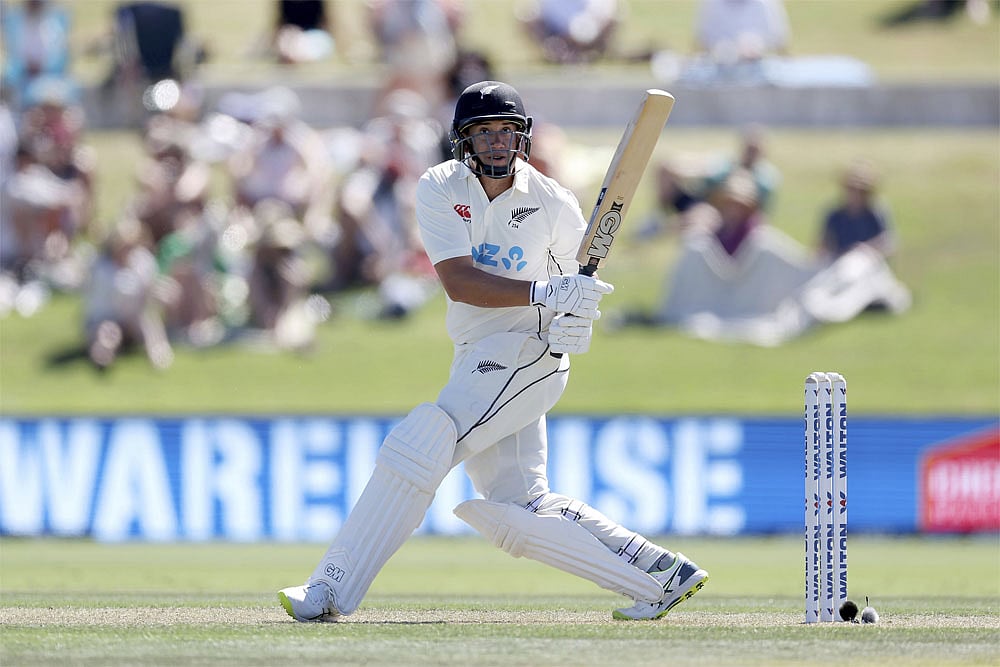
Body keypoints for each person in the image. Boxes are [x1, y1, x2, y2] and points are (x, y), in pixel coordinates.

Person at [277, 80, 709, 622]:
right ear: (463, 141)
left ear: (522, 137)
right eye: (483, 133)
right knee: (519, 506)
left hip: (528, 353)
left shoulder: (553, 203)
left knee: (421, 443)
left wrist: (576, 318)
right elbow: (459, 282)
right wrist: (544, 292)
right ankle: (659, 574)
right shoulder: (438, 187)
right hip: (478, 351)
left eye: (506, 131)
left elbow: (577, 288)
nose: (497, 143)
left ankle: (330, 588)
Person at [817, 159, 896, 263]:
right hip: (839, 266)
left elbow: (888, 244)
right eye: (852, 188)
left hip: (869, 267)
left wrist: (865, 249)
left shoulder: (875, 213)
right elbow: (821, 247)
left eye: (861, 191)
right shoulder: (835, 215)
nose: (856, 194)